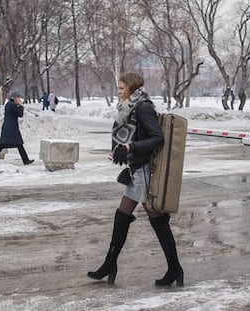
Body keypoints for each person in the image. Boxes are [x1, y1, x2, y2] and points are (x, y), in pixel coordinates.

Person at [87, 72, 184, 286]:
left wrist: (130, 147)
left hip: (145, 172)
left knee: (157, 220)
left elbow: (157, 139)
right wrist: (122, 150)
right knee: (123, 216)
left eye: (122, 88)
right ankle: (110, 263)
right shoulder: (129, 108)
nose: (119, 92)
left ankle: (175, 268)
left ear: (131, 88)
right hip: (136, 170)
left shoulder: (143, 107)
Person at [0, 91, 34, 165]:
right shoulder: (12, 105)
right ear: (15, 98)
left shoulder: (9, 104)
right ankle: (26, 160)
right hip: (11, 128)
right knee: (16, 144)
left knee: (5, 144)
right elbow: (20, 114)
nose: (20, 100)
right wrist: (21, 106)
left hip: (8, 126)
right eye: (19, 98)